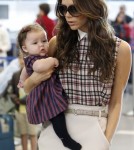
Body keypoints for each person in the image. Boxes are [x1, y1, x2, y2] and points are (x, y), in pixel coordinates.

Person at [24, 0, 131, 149]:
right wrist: (34, 78)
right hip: (56, 127)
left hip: (95, 128)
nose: (67, 15)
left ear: (90, 7)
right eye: (63, 9)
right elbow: (29, 88)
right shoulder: (57, 43)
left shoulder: (119, 49)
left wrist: (106, 141)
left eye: (73, 9)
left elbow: (116, 102)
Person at [17, 24, 82, 150]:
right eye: (35, 43)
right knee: (57, 116)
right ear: (25, 48)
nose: (41, 45)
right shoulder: (32, 59)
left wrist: (22, 81)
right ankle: (65, 139)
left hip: (48, 93)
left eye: (44, 40)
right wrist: (53, 60)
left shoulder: (38, 57)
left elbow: (24, 72)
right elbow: (38, 67)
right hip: (45, 96)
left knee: (54, 119)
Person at [8, 56, 37, 150]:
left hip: (31, 110)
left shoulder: (33, 74)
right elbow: (11, 91)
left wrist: (24, 100)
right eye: (20, 59)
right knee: (23, 134)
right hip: (19, 110)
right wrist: (15, 99)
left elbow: (36, 93)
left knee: (33, 134)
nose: (22, 61)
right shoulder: (15, 75)